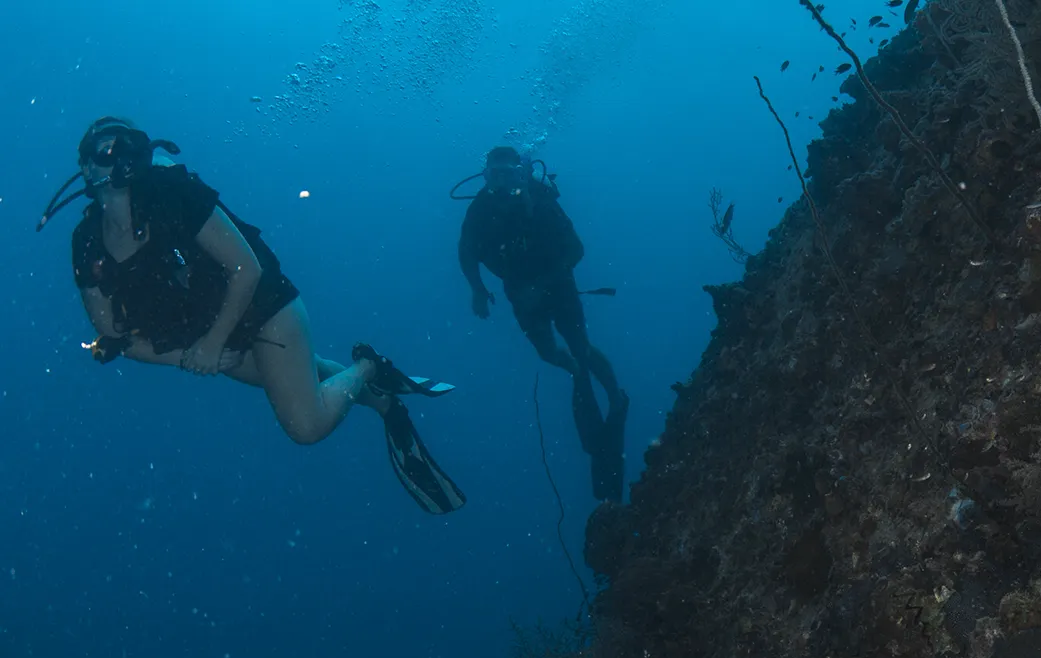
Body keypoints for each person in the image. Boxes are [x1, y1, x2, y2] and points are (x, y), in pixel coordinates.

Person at [39, 117, 466, 514]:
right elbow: (112, 334)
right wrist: (191, 355)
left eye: (125, 147)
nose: (116, 159)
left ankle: (368, 366)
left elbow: (247, 269)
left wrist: (208, 346)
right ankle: (383, 399)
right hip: (212, 338)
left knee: (306, 424)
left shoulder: (174, 195)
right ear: (84, 165)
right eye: (104, 150)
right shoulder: (87, 243)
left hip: (263, 307)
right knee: (305, 375)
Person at [457, 146, 628, 501]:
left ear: (519, 174)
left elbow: (576, 249)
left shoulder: (540, 201)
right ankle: (577, 371)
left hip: (558, 286)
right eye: (494, 176)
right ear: (485, 176)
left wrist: (543, 285)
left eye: (507, 175)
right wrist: (477, 290)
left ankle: (616, 396)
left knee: (580, 345)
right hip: (521, 296)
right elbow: (466, 251)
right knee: (549, 353)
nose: (501, 184)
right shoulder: (480, 210)